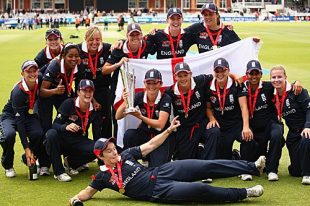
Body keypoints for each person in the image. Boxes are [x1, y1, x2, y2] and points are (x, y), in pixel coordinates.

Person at [69, 116, 266, 205]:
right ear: (100, 156)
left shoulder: (127, 154)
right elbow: (87, 193)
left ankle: (253, 167)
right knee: (200, 190)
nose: (114, 153)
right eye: (109, 152)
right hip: (158, 191)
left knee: (206, 166)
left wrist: (169, 130)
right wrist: (75, 199)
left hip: (162, 171)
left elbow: (151, 145)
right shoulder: (103, 177)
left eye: (113, 149)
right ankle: (245, 193)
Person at [103, 23, 155, 137]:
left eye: (137, 34)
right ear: (127, 36)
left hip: (140, 90)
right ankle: (118, 146)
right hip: (120, 90)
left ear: (141, 35)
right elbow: (104, 70)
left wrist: (155, 31)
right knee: (118, 118)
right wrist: (118, 63)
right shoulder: (119, 49)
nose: (135, 38)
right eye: (132, 35)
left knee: (140, 117)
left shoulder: (148, 45)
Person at [0, 60, 49, 178]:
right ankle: (8, 166)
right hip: (11, 116)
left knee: (39, 134)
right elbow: (19, 122)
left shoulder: (39, 78)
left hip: (28, 114)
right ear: (22, 74)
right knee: (9, 135)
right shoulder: (18, 92)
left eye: (34, 71)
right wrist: (26, 147)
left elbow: (48, 66)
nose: (32, 74)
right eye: (28, 72)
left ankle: (29, 157)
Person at [115, 69, 172, 167]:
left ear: (160, 84)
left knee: (158, 169)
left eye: (155, 83)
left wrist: (140, 116)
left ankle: (152, 158)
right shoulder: (139, 96)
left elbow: (160, 125)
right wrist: (126, 101)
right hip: (144, 133)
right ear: (144, 83)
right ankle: (131, 164)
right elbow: (118, 116)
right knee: (129, 135)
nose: (151, 86)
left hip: (161, 136)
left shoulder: (165, 98)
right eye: (148, 83)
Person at [240, 60, 285, 181]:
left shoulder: (268, 86)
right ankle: (246, 169)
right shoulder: (241, 87)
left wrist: (297, 83)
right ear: (246, 74)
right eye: (251, 73)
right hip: (251, 126)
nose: (254, 76)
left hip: (268, 124)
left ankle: (272, 170)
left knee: (277, 134)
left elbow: (284, 85)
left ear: (261, 74)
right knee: (246, 136)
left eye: (257, 73)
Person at [165, 62, 220, 160]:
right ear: (175, 77)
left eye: (185, 75)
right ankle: (199, 151)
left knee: (214, 131)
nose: (183, 79)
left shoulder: (200, 80)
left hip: (202, 123)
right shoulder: (170, 92)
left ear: (190, 74)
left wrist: (234, 76)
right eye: (180, 76)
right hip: (185, 127)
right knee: (184, 160)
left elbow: (218, 75)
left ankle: (208, 166)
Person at [45, 79, 97, 182]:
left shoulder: (94, 109)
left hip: (77, 140)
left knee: (98, 149)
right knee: (51, 134)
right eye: (84, 91)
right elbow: (55, 125)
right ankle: (59, 172)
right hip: (61, 141)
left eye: (90, 91)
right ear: (78, 92)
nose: (87, 94)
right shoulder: (68, 103)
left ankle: (71, 163)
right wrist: (65, 127)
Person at [205, 58, 252, 162]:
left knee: (249, 139)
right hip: (222, 126)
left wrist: (246, 127)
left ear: (228, 70)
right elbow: (208, 108)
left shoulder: (237, 84)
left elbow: (244, 107)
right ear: (214, 72)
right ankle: (235, 156)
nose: (220, 73)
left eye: (223, 70)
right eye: (217, 71)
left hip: (236, 124)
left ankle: (245, 168)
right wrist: (212, 118)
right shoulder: (209, 86)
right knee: (224, 159)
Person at [270, 65, 310, 185]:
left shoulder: (298, 91)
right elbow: (253, 81)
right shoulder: (270, 92)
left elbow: (309, 109)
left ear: (285, 77)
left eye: (279, 77)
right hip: (293, 133)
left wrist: (308, 126)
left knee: (306, 140)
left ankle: (307, 174)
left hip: (306, 129)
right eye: (273, 77)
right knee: (295, 171)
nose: (276, 80)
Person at [76, 26, 112, 140]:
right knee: (82, 122)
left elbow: (123, 46)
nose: (95, 42)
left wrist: (119, 42)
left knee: (104, 124)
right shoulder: (78, 50)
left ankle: (105, 153)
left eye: (97, 39)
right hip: (83, 92)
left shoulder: (106, 48)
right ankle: (82, 152)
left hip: (103, 91)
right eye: (91, 39)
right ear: (86, 39)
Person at [39, 43, 81, 134]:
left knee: (69, 120)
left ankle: (65, 145)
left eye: (76, 56)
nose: (74, 59)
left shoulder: (79, 65)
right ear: (63, 56)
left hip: (63, 91)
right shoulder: (55, 65)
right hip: (48, 94)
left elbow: (81, 87)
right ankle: (46, 145)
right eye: (70, 56)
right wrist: (55, 91)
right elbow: (41, 92)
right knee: (46, 125)